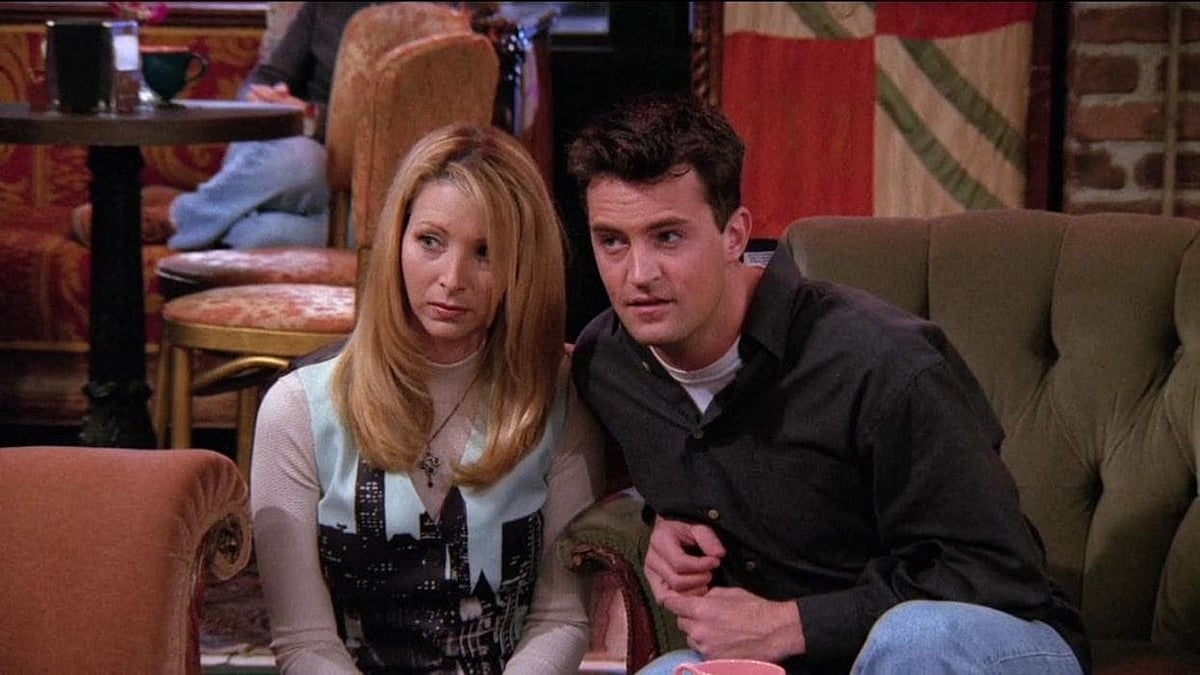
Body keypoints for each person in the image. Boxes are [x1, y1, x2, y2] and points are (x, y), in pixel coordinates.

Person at [566, 92, 1090, 675]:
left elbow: (1002, 573)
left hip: (987, 641)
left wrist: (792, 624)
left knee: (915, 639)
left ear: (734, 235)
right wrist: (660, 520)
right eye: (613, 241)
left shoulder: (881, 363)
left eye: (668, 237)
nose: (638, 274)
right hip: (798, 661)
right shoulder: (607, 363)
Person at [250, 124, 606, 673]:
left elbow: (561, 619)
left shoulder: (557, 396)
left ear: (523, 266)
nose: (452, 278)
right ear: (397, 240)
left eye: (486, 252)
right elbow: (303, 641)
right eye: (431, 242)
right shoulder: (296, 409)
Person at [72, 2, 372, 250]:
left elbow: (394, 125)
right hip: (289, 163)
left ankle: (180, 215)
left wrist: (316, 119)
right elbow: (267, 77)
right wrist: (263, 97)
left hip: (367, 197)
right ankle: (208, 210)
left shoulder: (404, 19)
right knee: (299, 161)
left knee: (258, 238)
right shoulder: (326, 7)